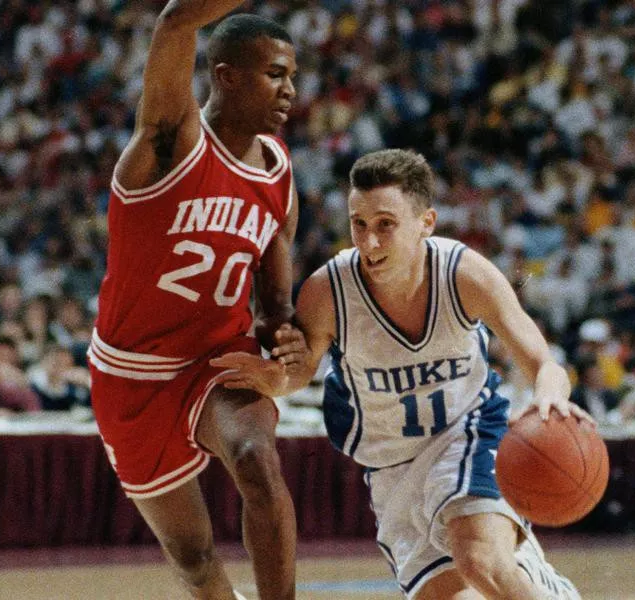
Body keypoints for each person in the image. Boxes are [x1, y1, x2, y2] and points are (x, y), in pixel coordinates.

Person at [212, 149, 590, 599]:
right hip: (390, 466)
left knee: (480, 560)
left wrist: (551, 397)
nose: (368, 242)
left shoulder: (466, 275)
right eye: (359, 225)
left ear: (425, 222)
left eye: (385, 225)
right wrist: (274, 379)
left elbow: (544, 364)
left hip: (466, 434)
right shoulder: (328, 291)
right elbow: (297, 375)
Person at [88, 4, 299, 599]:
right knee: (191, 553)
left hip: (217, 360)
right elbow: (177, 20)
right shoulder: (168, 143)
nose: (290, 91)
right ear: (227, 75)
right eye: (275, 74)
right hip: (132, 374)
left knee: (257, 459)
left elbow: (275, 307)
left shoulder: (280, 177)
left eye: (293, 77)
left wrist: (290, 342)